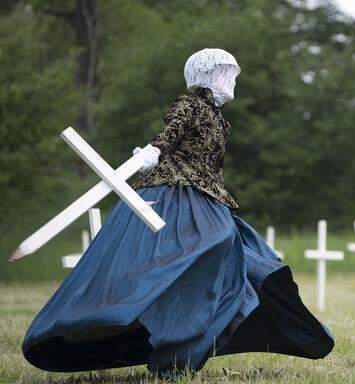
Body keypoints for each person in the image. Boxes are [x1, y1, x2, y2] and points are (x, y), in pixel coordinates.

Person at [21, 48, 334, 375]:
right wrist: (153, 151)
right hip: (174, 194)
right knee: (206, 248)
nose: (233, 81)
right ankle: (160, 336)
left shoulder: (220, 120)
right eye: (228, 73)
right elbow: (173, 130)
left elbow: (212, 167)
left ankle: (192, 339)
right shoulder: (191, 105)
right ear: (209, 76)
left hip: (206, 198)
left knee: (239, 256)